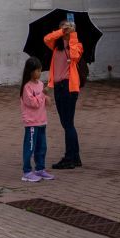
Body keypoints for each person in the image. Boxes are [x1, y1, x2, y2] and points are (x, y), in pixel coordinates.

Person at [42, 12, 84, 169]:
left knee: (68, 123)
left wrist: (72, 35)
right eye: (61, 29)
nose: (63, 32)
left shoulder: (77, 45)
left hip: (69, 87)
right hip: (58, 87)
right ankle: (75, 156)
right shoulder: (56, 46)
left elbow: (74, 56)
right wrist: (62, 31)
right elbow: (47, 38)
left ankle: (69, 158)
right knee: (67, 123)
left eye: (66, 28)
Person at [20, 57, 53, 183]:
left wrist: (47, 98)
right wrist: (42, 95)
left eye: (40, 70)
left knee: (42, 146)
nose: (39, 73)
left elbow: (43, 100)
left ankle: (40, 168)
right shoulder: (26, 87)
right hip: (32, 122)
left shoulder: (40, 84)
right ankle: (27, 171)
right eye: (37, 71)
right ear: (30, 71)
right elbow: (32, 103)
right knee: (30, 147)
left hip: (42, 121)